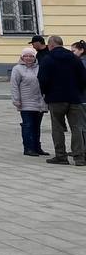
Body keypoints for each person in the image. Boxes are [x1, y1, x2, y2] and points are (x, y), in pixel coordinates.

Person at [37, 35, 86, 166]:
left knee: (57, 127)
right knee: (77, 128)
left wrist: (45, 92)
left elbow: (42, 79)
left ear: (51, 45)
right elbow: (83, 78)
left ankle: (61, 156)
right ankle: (79, 158)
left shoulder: (48, 59)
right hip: (74, 98)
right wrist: (78, 92)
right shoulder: (75, 59)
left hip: (55, 98)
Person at [10, 47, 49, 157]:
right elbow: (14, 86)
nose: (28, 58)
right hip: (25, 102)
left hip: (39, 102)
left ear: (34, 57)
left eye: (31, 56)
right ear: (22, 57)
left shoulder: (39, 68)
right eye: (26, 56)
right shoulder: (17, 69)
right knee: (28, 125)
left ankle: (37, 147)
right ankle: (28, 148)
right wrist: (16, 100)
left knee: (37, 126)